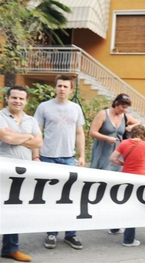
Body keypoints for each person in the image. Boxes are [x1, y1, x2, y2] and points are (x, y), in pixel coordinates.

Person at [32, 74, 85, 250]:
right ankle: (51, 233)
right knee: (52, 198)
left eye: (65, 86)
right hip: (48, 157)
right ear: (55, 87)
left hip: (69, 158)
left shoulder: (76, 108)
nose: (62, 89)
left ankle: (71, 234)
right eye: (59, 86)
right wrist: (36, 156)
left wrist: (82, 155)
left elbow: (79, 133)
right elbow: (36, 133)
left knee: (71, 197)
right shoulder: (44, 107)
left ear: (71, 89)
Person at [0, 85, 43, 262]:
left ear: (26, 101)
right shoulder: (1, 116)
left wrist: (19, 136)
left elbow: (39, 143)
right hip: (3, 170)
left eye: (21, 98)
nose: (17, 101)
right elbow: (6, 138)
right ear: (7, 99)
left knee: (14, 209)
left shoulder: (30, 120)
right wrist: (28, 137)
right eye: (14, 97)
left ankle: (10, 248)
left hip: (22, 172)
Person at [109, 124, 145, 246]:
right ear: (143, 135)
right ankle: (128, 239)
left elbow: (112, 158)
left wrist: (123, 163)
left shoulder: (124, 143)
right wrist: (143, 162)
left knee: (121, 203)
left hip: (125, 177)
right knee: (135, 207)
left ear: (132, 134)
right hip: (140, 179)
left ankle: (114, 228)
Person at [90, 93, 140, 172]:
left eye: (126, 108)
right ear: (116, 103)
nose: (124, 110)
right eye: (122, 107)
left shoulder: (125, 116)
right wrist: (107, 138)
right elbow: (92, 132)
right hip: (102, 150)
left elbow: (138, 123)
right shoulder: (103, 114)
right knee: (100, 173)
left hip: (117, 152)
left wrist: (131, 127)